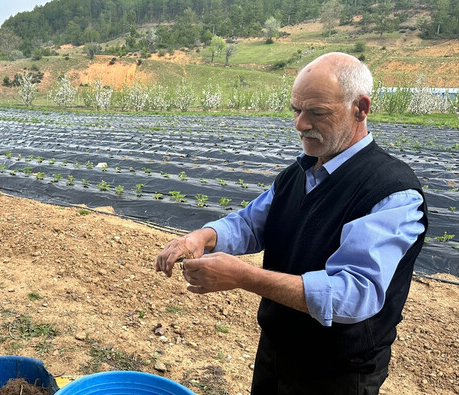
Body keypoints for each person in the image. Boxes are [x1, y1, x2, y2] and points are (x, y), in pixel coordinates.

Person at [155, 52, 427, 395]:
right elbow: (251, 224)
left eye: (316, 112)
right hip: (277, 351)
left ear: (361, 108)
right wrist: (203, 237)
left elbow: (356, 292)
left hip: (337, 372)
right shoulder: (299, 174)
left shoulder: (390, 192)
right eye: (296, 110)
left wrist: (243, 276)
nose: (299, 124)